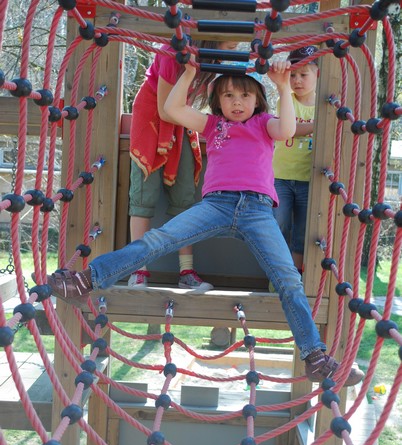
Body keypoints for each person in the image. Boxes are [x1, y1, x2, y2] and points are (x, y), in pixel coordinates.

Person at [44, 59, 364, 387]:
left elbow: (287, 130)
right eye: (227, 96)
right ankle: (86, 280)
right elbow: (173, 108)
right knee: (158, 240)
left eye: (244, 96)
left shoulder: (264, 124)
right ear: (216, 101)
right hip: (216, 205)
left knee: (288, 281)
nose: (236, 102)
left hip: (257, 210)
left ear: (257, 100)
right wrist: (189, 73)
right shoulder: (213, 126)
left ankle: (315, 358)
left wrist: (282, 85)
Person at [128, 39, 238, 291]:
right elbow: (166, 111)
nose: (235, 51)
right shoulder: (173, 54)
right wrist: (211, 126)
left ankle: (187, 270)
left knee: (185, 192)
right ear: (211, 37)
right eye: (231, 46)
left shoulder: (212, 60)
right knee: (144, 191)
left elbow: (213, 101)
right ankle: (138, 268)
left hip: (181, 115)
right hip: (155, 115)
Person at [273, 46, 319, 276]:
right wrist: (317, 126)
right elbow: (290, 130)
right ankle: (278, 274)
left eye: (303, 74)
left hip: (308, 179)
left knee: (302, 232)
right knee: (279, 225)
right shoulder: (286, 100)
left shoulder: (325, 105)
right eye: (292, 75)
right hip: (281, 176)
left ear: (317, 74)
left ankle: (294, 276)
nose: (297, 80)